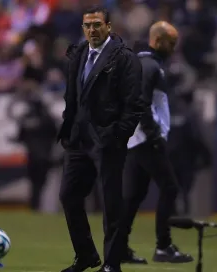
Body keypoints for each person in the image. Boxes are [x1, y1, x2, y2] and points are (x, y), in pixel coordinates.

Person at [57, 6, 144, 272]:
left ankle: (112, 265)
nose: (92, 30)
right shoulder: (79, 54)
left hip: (107, 141)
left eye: (97, 25)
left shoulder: (124, 58)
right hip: (79, 140)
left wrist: (117, 137)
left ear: (109, 26)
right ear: (82, 28)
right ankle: (86, 255)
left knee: (111, 203)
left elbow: (134, 105)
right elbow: (73, 96)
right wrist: (69, 126)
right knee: (69, 196)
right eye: (87, 26)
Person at [119, 21, 194, 264]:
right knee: (170, 188)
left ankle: (118, 247)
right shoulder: (150, 65)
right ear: (158, 40)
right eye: (170, 43)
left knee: (134, 196)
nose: (173, 48)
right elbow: (140, 102)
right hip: (145, 139)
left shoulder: (143, 63)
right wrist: (152, 133)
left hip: (135, 139)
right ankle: (163, 246)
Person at [16, 94, 58, 211]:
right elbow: (56, 134)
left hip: (32, 156)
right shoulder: (48, 118)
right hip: (46, 156)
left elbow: (20, 137)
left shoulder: (26, 118)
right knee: (42, 184)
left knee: (34, 183)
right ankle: (39, 206)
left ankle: (34, 205)